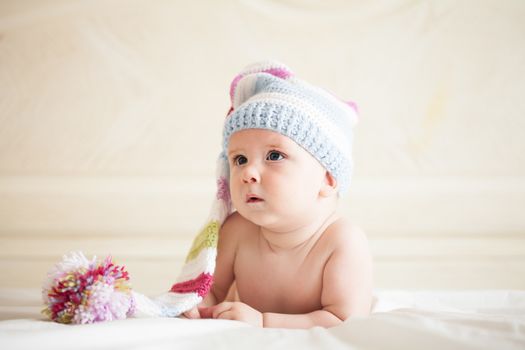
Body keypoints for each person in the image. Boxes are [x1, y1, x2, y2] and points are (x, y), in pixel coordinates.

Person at [172, 61, 373, 328]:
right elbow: (210, 290)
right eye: (240, 159)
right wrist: (195, 306)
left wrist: (265, 321)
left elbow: (344, 320)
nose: (248, 173)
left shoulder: (342, 242)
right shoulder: (237, 231)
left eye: (274, 156)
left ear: (327, 179)